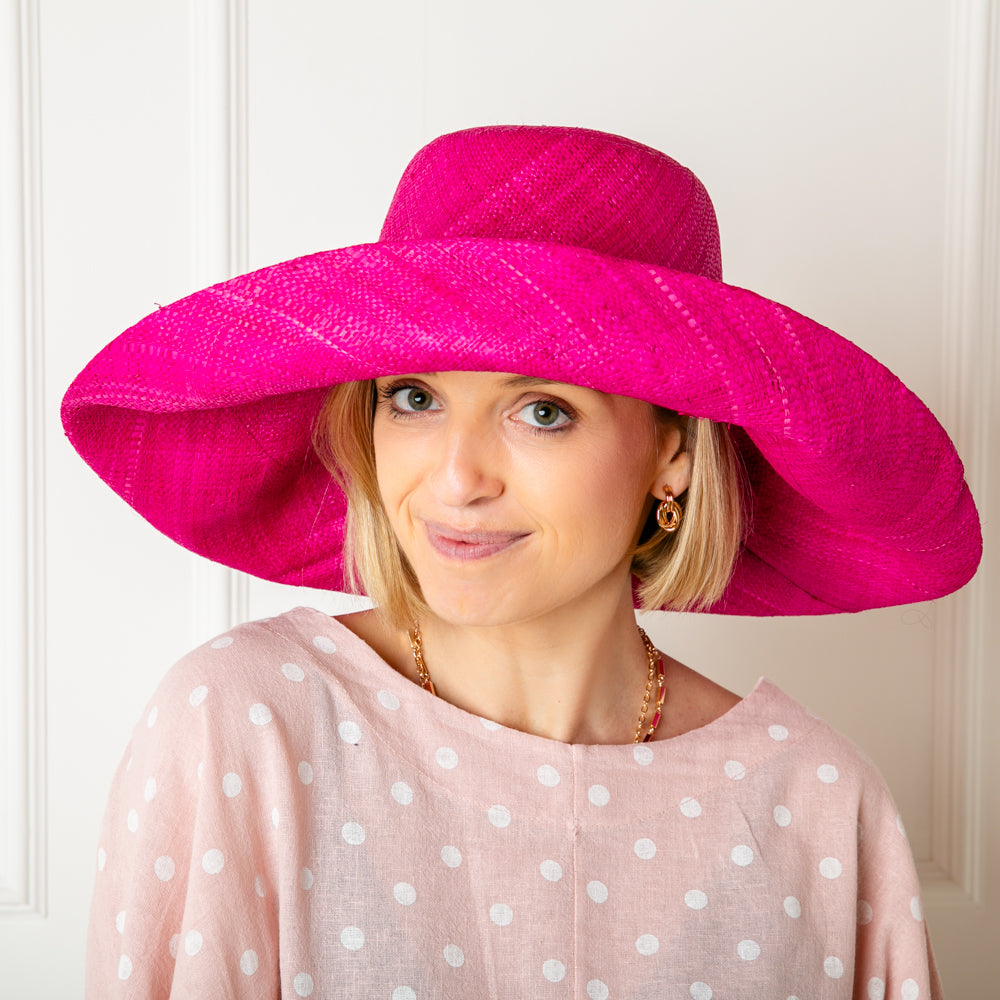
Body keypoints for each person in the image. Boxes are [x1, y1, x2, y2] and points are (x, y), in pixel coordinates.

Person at [63, 125, 981, 999]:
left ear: (673, 450)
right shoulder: (249, 726)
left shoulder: (817, 805)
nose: (455, 479)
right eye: (414, 397)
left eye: (541, 409)